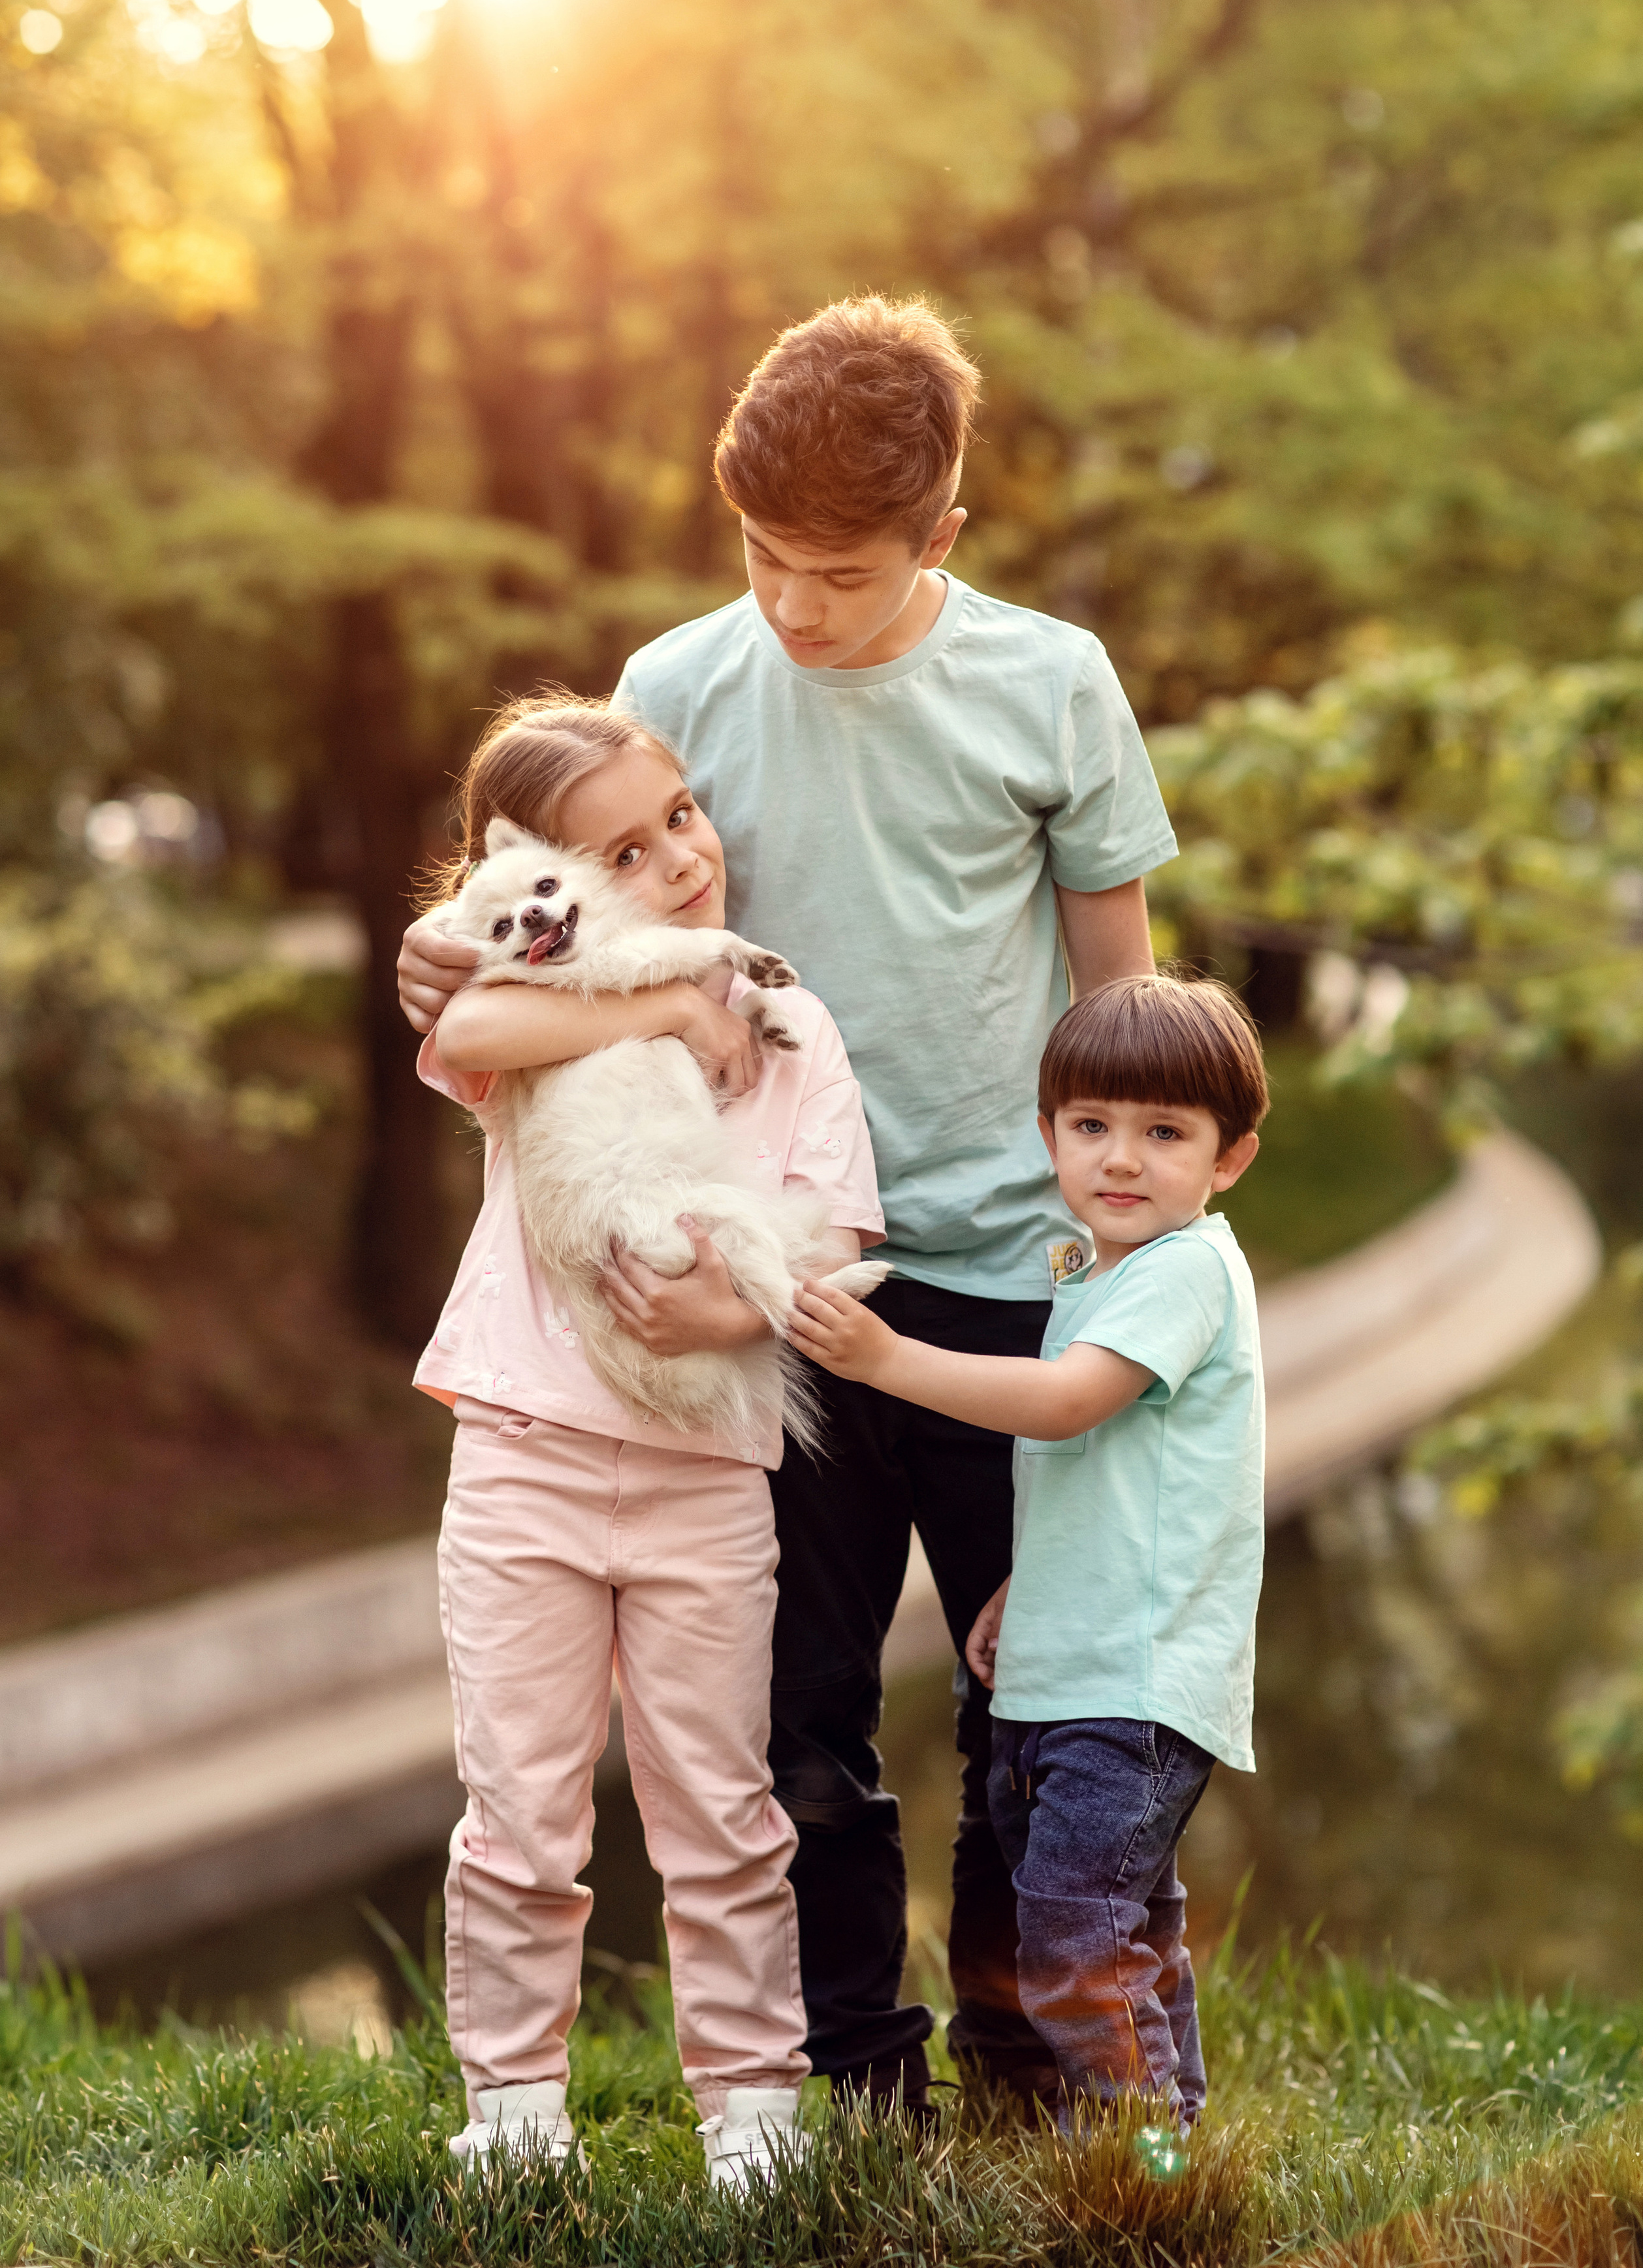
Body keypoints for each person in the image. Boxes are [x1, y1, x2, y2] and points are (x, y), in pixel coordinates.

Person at [398, 294, 1177, 2113]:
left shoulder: (1051, 683)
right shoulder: (672, 692)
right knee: (796, 1725)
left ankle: (1032, 2080)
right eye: (759, 553)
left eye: (833, 570)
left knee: (1036, 1714)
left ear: (944, 540)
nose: (791, 604)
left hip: (1008, 1285)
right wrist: (503, 978)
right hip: (775, 1298)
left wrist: (1131, 1275)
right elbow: (536, 937)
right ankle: (852, 2087)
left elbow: (1119, 1008)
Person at [413, 693, 885, 2187]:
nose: (680, 858)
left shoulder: (799, 1033)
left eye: (679, 813)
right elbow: (469, 1020)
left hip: (703, 1482)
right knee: (520, 1813)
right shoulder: (533, 998)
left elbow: (841, 1246)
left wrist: (723, 1316)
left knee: (721, 1812)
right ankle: (513, 2117)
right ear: (559, 885)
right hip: (523, 1459)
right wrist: (669, 1005)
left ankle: (753, 2115)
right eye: (627, 847)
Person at [788, 973, 1268, 2127]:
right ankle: (1168, 2156)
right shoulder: (1098, 1270)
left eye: (1165, 1134)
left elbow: (1065, 1408)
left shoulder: (1187, 1270)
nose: (1122, 1158)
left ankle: (1138, 2169)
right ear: (1047, 1135)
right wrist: (1019, 1586)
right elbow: (1098, 1483)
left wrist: (883, 1359)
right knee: (1126, 1932)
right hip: (1072, 1663)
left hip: (1133, 1686)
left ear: (1229, 1159)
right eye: (1091, 1126)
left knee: (1070, 1940)